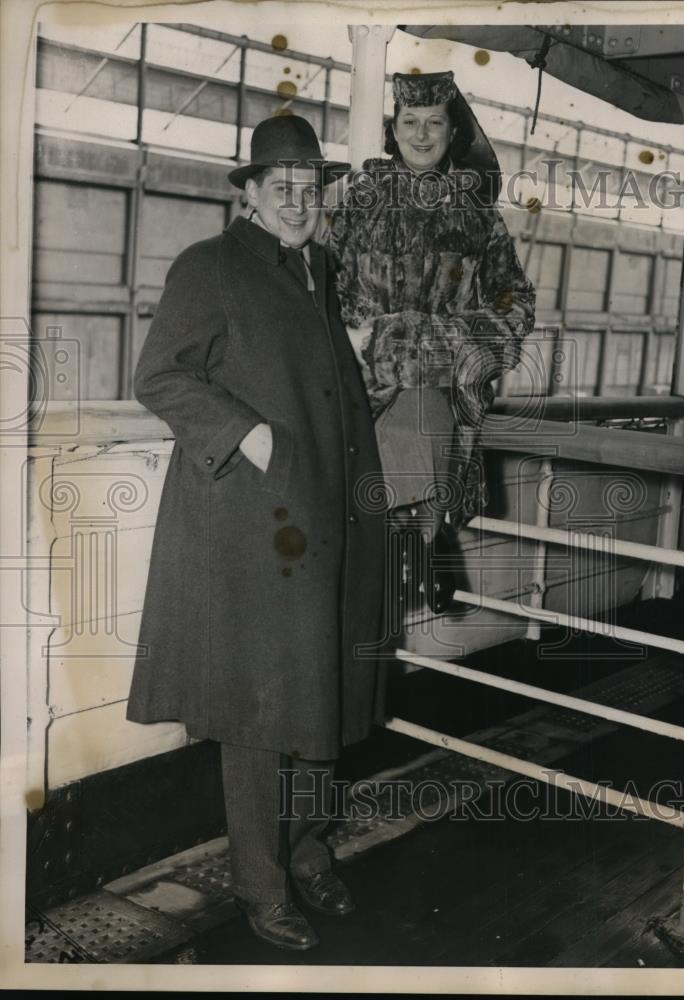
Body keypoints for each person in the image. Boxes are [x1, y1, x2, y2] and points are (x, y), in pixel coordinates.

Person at [125, 115, 385, 952]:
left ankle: (306, 852)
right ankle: (259, 886)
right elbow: (159, 373)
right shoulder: (210, 267)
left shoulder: (321, 270)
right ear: (246, 192)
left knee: (324, 704)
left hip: (327, 524)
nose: (297, 201)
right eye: (280, 186)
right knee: (258, 716)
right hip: (256, 531)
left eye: (310, 189)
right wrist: (248, 433)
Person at [324, 70, 535, 617]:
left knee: (402, 562)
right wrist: (365, 344)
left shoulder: (477, 216)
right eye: (409, 123)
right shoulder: (357, 204)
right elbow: (320, 297)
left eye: (434, 122)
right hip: (359, 400)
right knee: (359, 561)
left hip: (437, 405)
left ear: (451, 129)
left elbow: (518, 306)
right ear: (393, 129)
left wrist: (437, 343)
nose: (421, 135)